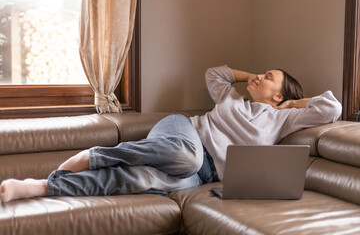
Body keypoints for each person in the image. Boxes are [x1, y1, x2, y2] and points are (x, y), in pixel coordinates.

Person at [0, 65, 342, 203]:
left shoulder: (282, 120)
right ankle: (94, 156)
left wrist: (295, 105)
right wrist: (249, 74)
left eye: (267, 76)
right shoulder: (231, 96)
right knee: (186, 154)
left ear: (279, 95)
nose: (258, 77)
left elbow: (332, 108)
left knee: (141, 180)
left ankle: (45, 186)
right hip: (182, 133)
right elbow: (215, 74)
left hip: (205, 174)